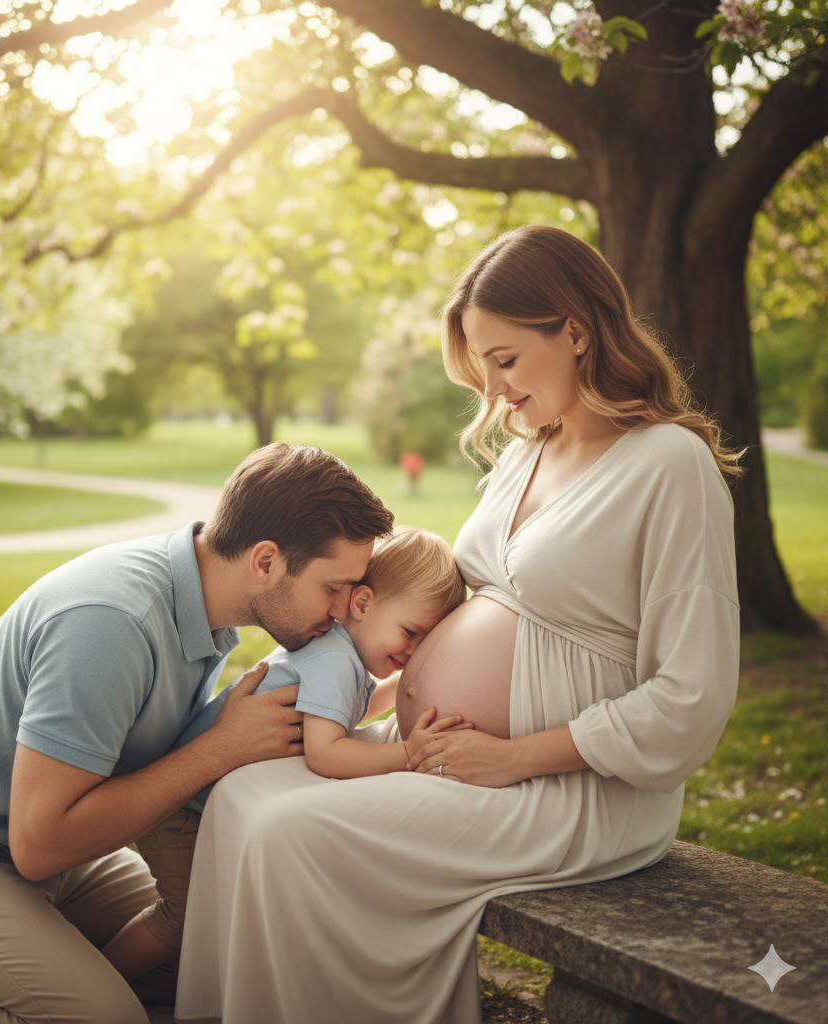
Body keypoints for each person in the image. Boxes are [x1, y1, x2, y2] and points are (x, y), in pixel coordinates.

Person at [173, 225, 743, 1024]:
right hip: (461, 758)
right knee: (244, 795)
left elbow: (692, 697)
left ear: (575, 330)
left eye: (506, 360)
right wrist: (362, 703)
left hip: (574, 791)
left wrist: (512, 758)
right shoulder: (524, 456)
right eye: (483, 369)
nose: (494, 389)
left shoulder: (668, 466)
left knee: (288, 836)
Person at [0, 442, 394, 1024]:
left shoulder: (201, 606)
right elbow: (39, 843)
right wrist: (217, 750)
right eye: (333, 587)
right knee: (106, 1018)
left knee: (222, 945)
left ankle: (36, 970)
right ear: (265, 561)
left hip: (44, 856)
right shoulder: (114, 623)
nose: (344, 610)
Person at [101, 526, 469, 982]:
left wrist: (406, 683)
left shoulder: (339, 651)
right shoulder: (335, 660)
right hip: (181, 806)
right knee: (185, 913)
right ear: (362, 603)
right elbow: (327, 753)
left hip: (203, 801)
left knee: (210, 908)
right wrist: (407, 754)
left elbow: (344, 713)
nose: (411, 650)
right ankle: (104, 979)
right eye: (410, 633)